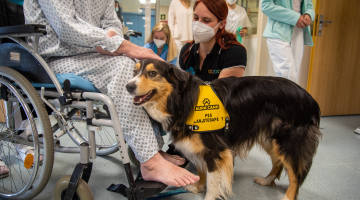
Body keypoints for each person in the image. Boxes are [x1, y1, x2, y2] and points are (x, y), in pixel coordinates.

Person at [23, 0, 199, 187]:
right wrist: (119, 45)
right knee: (123, 67)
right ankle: (150, 162)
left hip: (95, 53)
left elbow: (112, 25)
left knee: (138, 67)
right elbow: (66, 27)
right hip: (58, 58)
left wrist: (113, 40)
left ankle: (151, 149)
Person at [179, 0, 247, 82]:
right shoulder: (187, 50)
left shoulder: (235, 53)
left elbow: (222, 93)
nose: (198, 24)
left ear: (221, 24)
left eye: (206, 20)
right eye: (196, 18)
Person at [261, 0, 314, 83]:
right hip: (279, 31)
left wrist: (309, 15)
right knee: (288, 75)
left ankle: (287, 96)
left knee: (294, 76)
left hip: (298, 31)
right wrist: (295, 17)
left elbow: (309, 5)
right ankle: (285, 96)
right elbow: (266, 6)